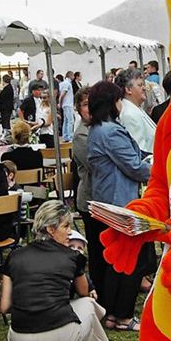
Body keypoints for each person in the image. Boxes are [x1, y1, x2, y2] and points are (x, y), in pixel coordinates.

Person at [0, 200, 110, 341]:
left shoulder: (14, 256)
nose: (69, 232)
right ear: (51, 229)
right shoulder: (72, 256)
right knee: (88, 304)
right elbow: (84, 293)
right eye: (66, 226)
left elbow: (4, 307)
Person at [87, 81, 152, 331]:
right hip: (120, 203)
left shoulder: (97, 129)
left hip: (109, 201)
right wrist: (158, 170)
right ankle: (123, 314)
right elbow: (134, 167)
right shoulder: (110, 132)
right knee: (131, 261)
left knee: (117, 262)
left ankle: (113, 313)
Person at [72, 86, 108, 299]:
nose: (90, 108)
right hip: (91, 200)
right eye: (85, 104)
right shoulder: (81, 135)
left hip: (103, 198)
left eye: (92, 103)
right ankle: (99, 291)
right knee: (96, 249)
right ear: (78, 109)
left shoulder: (101, 127)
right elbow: (97, 166)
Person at [114, 68, 156, 155]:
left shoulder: (136, 108)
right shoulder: (129, 115)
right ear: (128, 90)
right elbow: (139, 151)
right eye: (140, 85)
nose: (144, 88)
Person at [58, 71, 75, 142]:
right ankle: (69, 136)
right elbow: (63, 94)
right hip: (68, 104)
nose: (73, 77)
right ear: (70, 76)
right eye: (73, 75)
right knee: (70, 121)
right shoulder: (67, 83)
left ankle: (65, 136)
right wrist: (59, 102)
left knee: (66, 121)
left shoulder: (61, 83)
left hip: (65, 104)